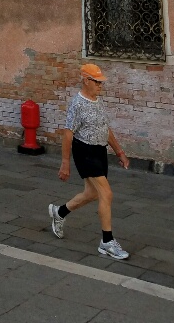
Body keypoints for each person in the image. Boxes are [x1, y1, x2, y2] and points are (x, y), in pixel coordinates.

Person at [49, 63, 131, 260]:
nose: (100, 85)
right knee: (106, 193)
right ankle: (107, 242)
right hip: (84, 151)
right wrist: (65, 162)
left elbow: (105, 128)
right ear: (86, 81)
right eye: (97, 82)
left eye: (101, 82)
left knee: (92, 193)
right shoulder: (77, 104)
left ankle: (59, 212)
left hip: (99, 151)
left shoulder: (97, 101)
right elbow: (67, 134)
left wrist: (119, 152)